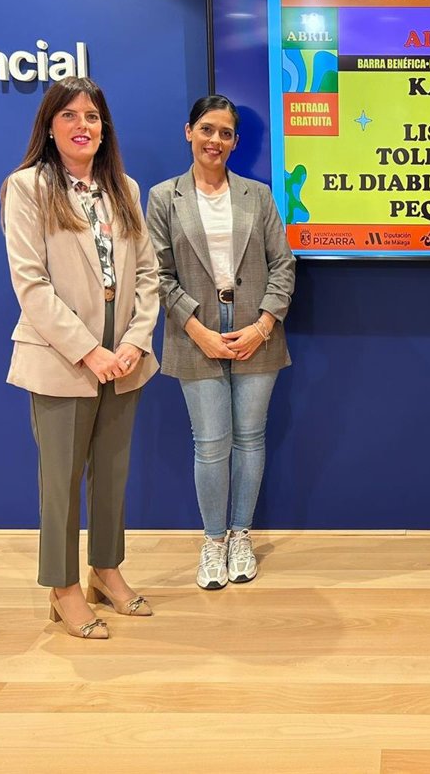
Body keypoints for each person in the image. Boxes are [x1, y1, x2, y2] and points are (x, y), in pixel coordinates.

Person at [1, 76, 160, 639]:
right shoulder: (27, 187)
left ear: (104, 127)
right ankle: (62, 587)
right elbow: (31, 284)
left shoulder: (125, 188)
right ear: (49, 126)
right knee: (62, 481)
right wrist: (91, 352)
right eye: (69, 115)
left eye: (92, 116)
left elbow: (147, 274)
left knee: (112, 473)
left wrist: (135, 341)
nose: (82, 126)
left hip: (125, 356)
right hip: (63, 357)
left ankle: (105, 570)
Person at [147, 95, 295, 590]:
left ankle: (240, 536)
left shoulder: (258, 195)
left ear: (235, 142)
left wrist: (263, 326)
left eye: (226, 133)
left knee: (250, 437)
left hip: (256, 329)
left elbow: (283, 265)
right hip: (195, 331)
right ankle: (213, 542)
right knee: (211, 444)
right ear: (189, 131)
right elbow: (158, 274)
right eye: (207, 129)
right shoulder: (163, 197)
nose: (215, 140)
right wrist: (198, 330)